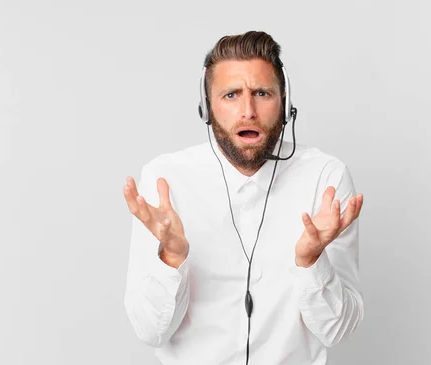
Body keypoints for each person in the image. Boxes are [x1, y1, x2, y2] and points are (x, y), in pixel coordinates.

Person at [122, 30, 364, 365]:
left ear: (285, 102)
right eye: (231, 95)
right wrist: (171, 258)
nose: (248, 110)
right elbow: (150, 331)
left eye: (262, 93)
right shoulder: (165, 180)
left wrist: (310, 263)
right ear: (207, 107)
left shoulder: (324, 179)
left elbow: (337, 332)